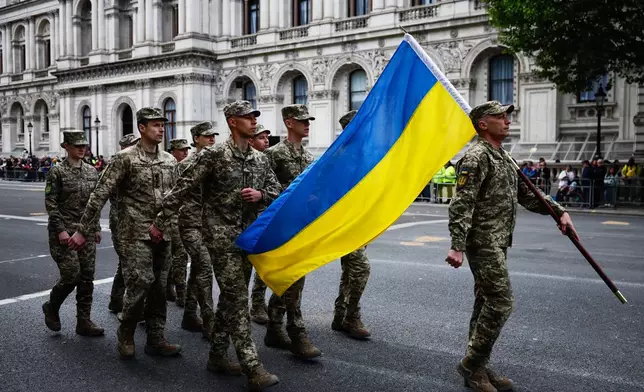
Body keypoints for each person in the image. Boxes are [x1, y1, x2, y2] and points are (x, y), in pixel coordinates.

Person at [446, 101, 578, 392]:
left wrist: (559, 211)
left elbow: (528, 195)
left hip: (499, 239)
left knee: (485, 302)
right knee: (501, 302)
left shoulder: (502, 157)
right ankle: (471, 364)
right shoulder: (476, 157)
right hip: (482, 242)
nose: (507, 121)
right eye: (500, 117)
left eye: (507, 116)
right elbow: (461, 203)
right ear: (483, 124)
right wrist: (457, 245)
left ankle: (477, 366)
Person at [151, 100, 280, 391]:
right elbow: (182, 188)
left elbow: (276, 191)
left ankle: (217, 357)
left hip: (250, 237)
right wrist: (161, 221)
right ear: (233, 122)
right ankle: (252, 366)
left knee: (230, 300)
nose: (254, 122)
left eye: (254, 117)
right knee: (237, 300)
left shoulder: (260, 159)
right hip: (220, 238)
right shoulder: (214, 156)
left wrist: (260, 195)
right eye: (248, 118)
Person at [68, 107, 181, 359]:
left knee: (161, 287)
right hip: (134, 232)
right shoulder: (125, 158)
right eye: (155, 125)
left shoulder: (170, 160)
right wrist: (83, 230)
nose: (161, 128)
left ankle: (156, 337)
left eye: (162, 124)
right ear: (141, 128)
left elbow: (176, 197)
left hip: (163, 232)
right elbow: (100, 194)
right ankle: (126, 334)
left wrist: (162, 224)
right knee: (140, 283)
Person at [263, 104, 321, 359]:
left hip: (302, 225)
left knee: (293, 277)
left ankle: (274, 325)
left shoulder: (309, 158)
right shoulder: (273, 155)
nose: (307, 124)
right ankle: (296, 331)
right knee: (292, 277)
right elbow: (264, 188)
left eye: (308, 120)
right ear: (289, 123)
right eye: (302, 120)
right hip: (281, 225)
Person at [42, 130, 104, 337]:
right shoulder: (57, 171)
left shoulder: (91, 171)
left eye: (83, 145)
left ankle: (84, 321)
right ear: (66, 147)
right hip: (64, 233)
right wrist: (60, 230)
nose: (81, 148)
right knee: (71, 275)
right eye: (77, 145)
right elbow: (51, 203)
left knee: (87, 277)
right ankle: (52, 305)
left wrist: (95, 228)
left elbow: (93, 204)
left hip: (84, 232)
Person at [331, 110, 372, 340]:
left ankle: (340, 315)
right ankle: (351, 315)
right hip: (344, 223)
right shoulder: (339, 156)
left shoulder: (364, 155)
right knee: (360, 269)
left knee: (349, 271)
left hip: (360, 221)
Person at [177, 122, 218, 340]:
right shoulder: (185, 165)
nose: (212, 139)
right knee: (204, 264)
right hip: (190, 222)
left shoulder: (217, 162)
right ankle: (209, 321)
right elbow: (175, 195)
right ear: (196, 139)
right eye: (207, 136)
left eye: (213, 136)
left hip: (210, 224)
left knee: (198, 269)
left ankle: (190, 314)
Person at [108, 134, 141, 314]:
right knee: (129, 263)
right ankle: (133, 310)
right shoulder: (119, 164)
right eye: (134, 144)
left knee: (125, 263)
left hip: (133, 219)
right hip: (120, 219)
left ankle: (115, 300)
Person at [249, 123, 272, 325]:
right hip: (236, 225)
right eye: (261, 137)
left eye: (266, 137)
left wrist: (262, 195)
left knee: (262, 262)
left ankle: (257, 303)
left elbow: (277, 189)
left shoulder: (265, 160)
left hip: (264, 219)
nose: (266, 141)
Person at [166, 139, 191, 307]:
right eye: (181, 150)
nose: (185, 153)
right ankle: (174, 288)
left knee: (180, 256)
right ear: (173, 151)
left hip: (184, 218)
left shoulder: (188, 168)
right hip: (169, 218)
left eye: (186, 150)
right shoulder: (168, 168)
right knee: (171, 256)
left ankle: (179, 290)